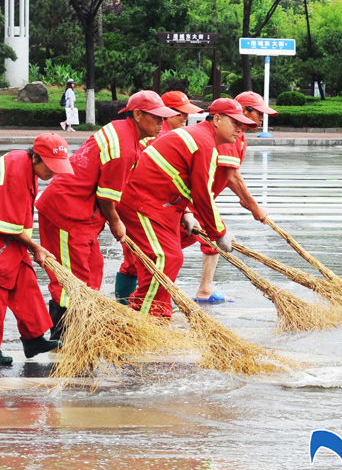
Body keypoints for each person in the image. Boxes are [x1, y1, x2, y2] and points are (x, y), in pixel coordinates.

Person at [37, 90, 178, 340]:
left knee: (93, 270)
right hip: (66, 213)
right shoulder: (123, 147)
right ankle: (64, 336)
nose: (161, 123)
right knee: (71, 278)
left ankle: (83, 326)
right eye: (156, 117)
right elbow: (106, 197)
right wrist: (116, 223)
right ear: (137, 115)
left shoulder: (122, 130)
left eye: (163, 117)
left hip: (84, 216)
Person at [116, 98, 257, 320]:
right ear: (217, 119)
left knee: (169, 258)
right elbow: (203, 194)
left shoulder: (203, 138)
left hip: (161, 205)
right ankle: (142, 318)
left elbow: (180, 181)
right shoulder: (204, 144)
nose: (240, 129)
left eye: (242, 124)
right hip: (142, 202)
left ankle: (157, 312)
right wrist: (219, 233)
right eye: (235, 123)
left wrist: (186, 213)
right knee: (164, 257)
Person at [0, 133, 74, 366]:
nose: (54, 172)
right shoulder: (16, 171)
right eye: (51, 166)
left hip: (8, 237)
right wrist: (36, 248)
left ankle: (34, 339)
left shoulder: (29, 167)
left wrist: (31, 248)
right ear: (36, 157)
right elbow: (6, 223)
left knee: (25, 281)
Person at [114, 90, 205, 303]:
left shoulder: (159, 134)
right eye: (180, 113)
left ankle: (127, 302)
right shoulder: (160, 137)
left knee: (135, 259)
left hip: (142, 205)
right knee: (145, 258)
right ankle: (140, 304)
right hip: (141, 206)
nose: (185, 118)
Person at [189, 91, 275, 304]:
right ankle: (203, 290)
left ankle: (204, 289)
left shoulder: (237, 135)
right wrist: (254, 206)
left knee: (207, 238)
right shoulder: (227, 136)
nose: (262, 118)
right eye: (258, 113)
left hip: (201, 197)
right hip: (195, 198)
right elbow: (231, 175)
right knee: (210, 237)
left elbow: (229, 176)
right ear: (244, 111)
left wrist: (247, 200)